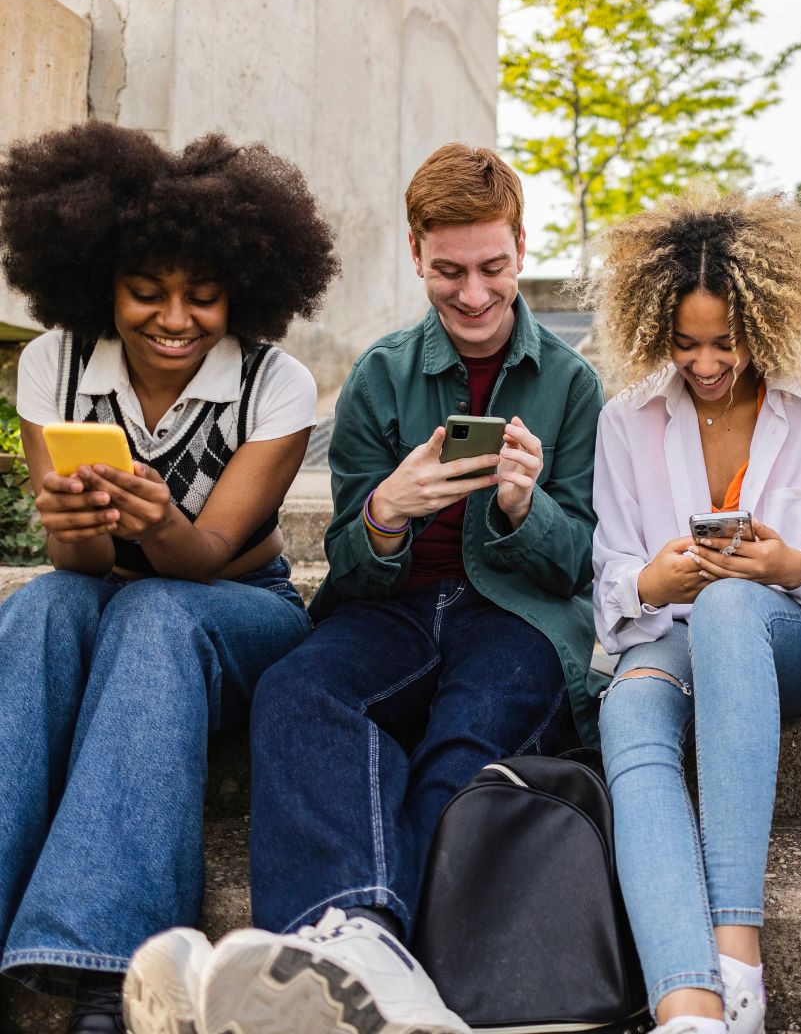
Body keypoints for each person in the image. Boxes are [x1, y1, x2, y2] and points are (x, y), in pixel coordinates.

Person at [126, 143, 604, 1034]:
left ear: (523, 249)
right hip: (390, 610)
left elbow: (578, 565)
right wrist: (388, 509)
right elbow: (347, 558)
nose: (472, 294)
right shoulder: (383, 374)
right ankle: (353, 949)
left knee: (461, 754)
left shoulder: (574, 385)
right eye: (449, 269)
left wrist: (521, 507)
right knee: (299, 690)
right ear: (416, 252)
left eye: (493, 268)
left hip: (517, 616)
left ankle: (350, 952)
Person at [0, 120, 338, 1033]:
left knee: (153, 605)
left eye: (205, 298)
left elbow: (206, 555)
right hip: (111, 595)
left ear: (245, 294)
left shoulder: (277, 384)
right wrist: (73, 529)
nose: (176, 320)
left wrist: (160, 520)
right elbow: (81, 569)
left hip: (240, 611)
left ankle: (113, 961)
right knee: (41, 611)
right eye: (146, 293)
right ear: (99, 286)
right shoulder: (53, 365)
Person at [586, 184, 801, 1034]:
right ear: (658, 331)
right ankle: (688, 1007)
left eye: (727, 342)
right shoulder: (627, 418)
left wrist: (781, 564)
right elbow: (612, 577)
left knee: (729, 608)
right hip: (670, 641)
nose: (708, 362)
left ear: (763, 320)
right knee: (632, 703)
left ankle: (737, 955)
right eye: (686, 345)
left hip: (783, 642)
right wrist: (657, 581)